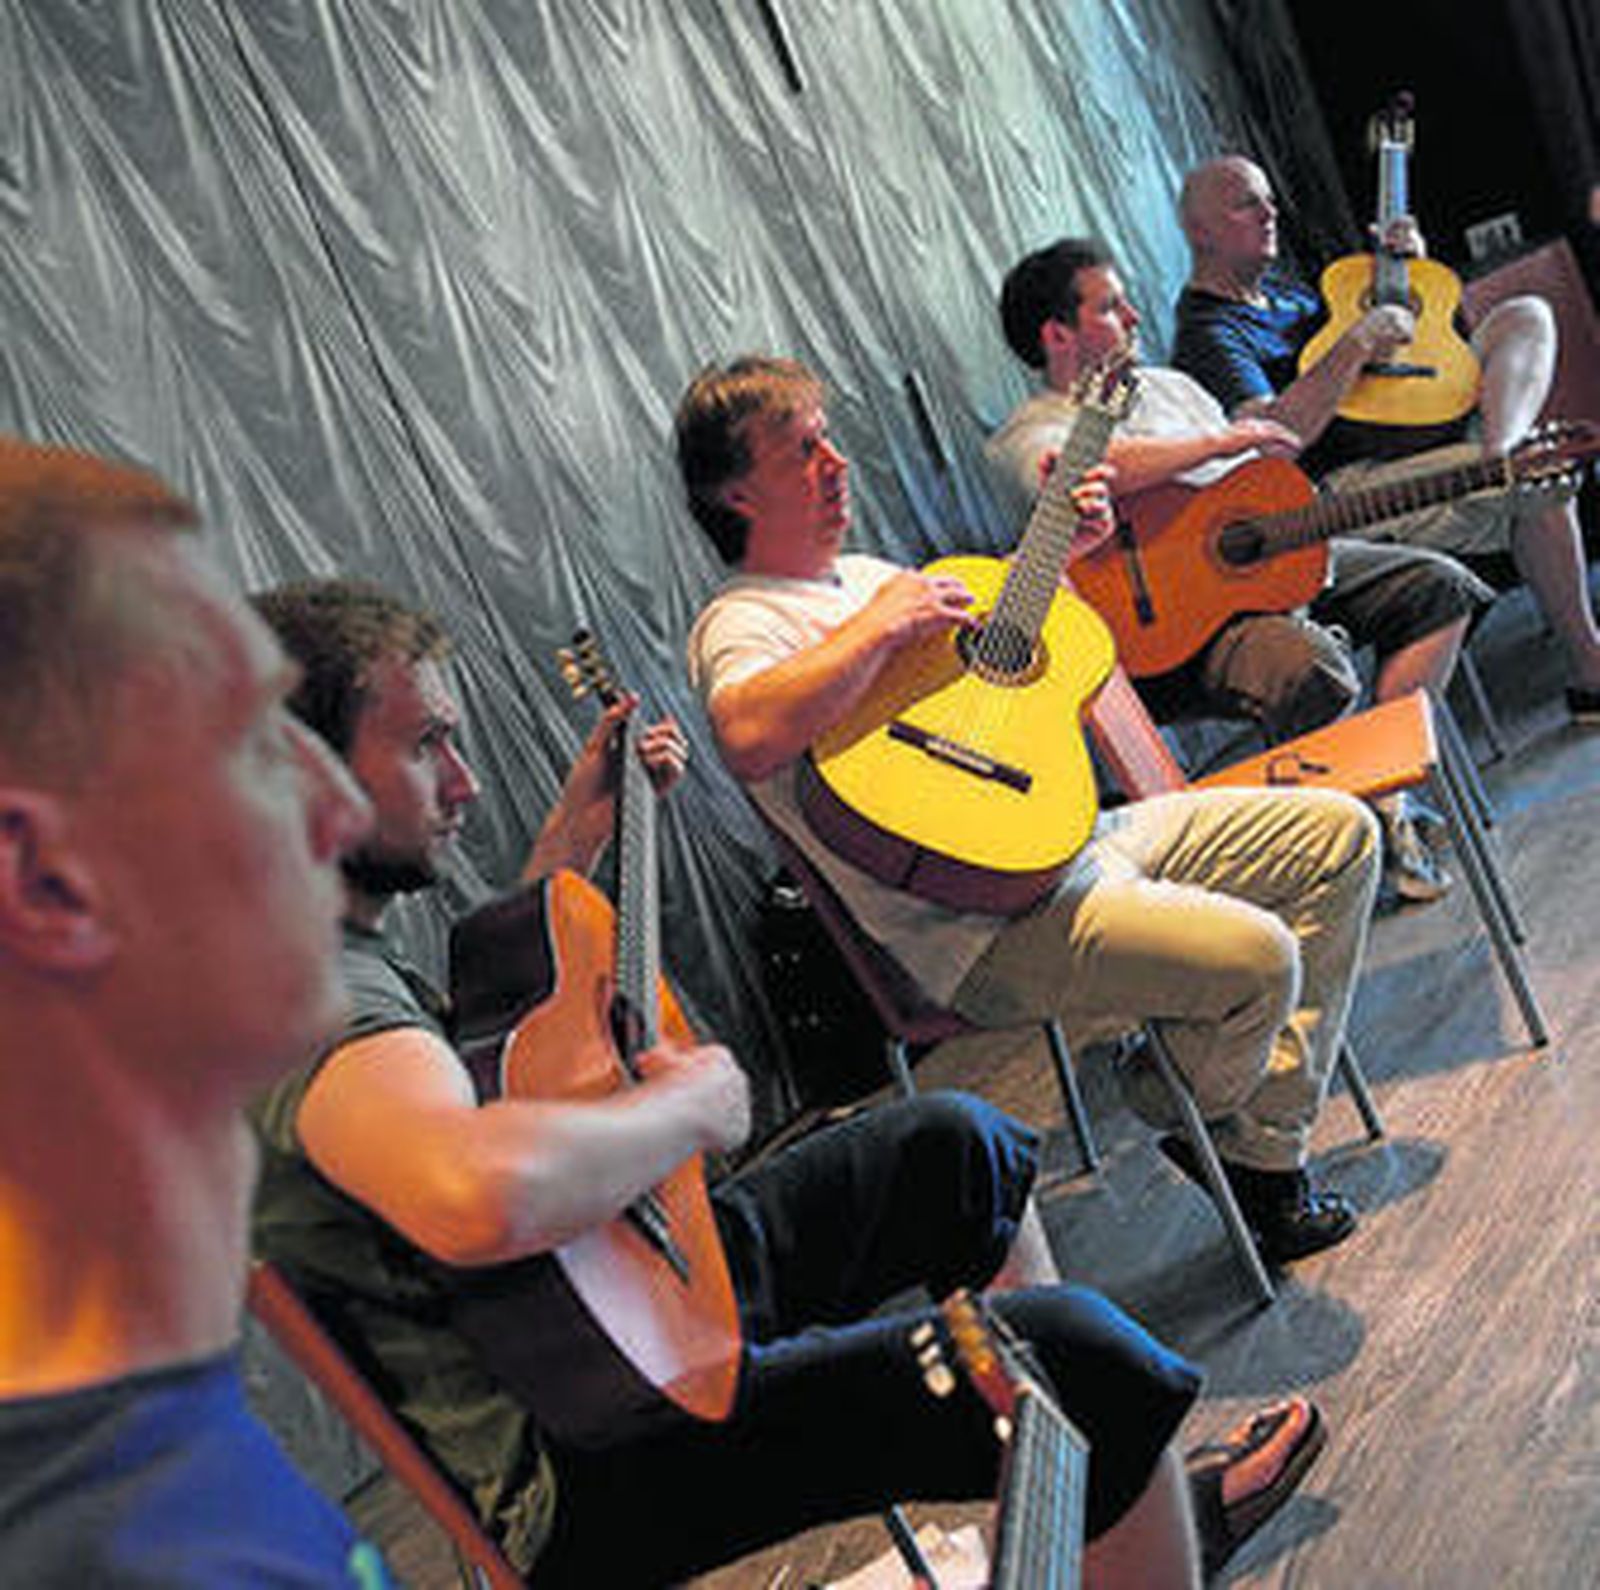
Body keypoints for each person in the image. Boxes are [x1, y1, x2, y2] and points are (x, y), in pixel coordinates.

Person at [251, 577, 1321, 1588]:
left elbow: (485, 1077)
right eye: (424, 745)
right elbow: (479, 1196)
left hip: (608, 1317)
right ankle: (1113, 1493)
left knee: (954, 1150)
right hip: (592, 1449)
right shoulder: (308, 1005)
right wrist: (690, 1104)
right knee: (1082, 1366)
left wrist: (572, 845)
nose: (463, 781)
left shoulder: (325, 947)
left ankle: (1099, 1517)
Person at [684, 353, 1385, 1271]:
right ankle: (1178, 1101)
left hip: (1067, 841)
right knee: (1263, 960)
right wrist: (885, 623)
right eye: (802, 451)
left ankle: (1253, 1146)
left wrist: (1065, 552)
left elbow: (988, 668)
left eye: (827, 439)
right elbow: (745, 733)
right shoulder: (741, 622)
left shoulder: (864, 573)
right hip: (979, 931)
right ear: (737, 493)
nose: (836, 463)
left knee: (1339, 835)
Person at [0, 439, 387, 1584]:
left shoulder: (144, 1450)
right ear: (46, 885)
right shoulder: (136, 1553)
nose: (341, 808)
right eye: (256, 737)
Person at [988, 236, 1491, 903]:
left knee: (1440, 588)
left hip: (1273, 571)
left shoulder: (1171, 388)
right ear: (1058, 335)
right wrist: (1217, 441)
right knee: (1309, 668)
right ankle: (1351, 844)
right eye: (1110, 307)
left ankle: (1388, 794)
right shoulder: (1026, 432)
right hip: (1175, 633)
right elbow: (1080, 470)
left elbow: (1244, 481)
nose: (1134, 317)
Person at [1172, 154, 1600, 720]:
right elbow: (1272, 442)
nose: (1268, 213)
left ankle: (1500, 451)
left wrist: (1411, 280)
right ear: (1199, 231)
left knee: (1524, 315)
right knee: (1538, 481)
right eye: (1246, 204)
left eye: (1269, 200)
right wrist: (1356, 341)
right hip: (1339, 493)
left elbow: (1405, 360)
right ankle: (1592, 673)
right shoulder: (1209, 332)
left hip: (1411, 437)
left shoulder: (1288, 294)